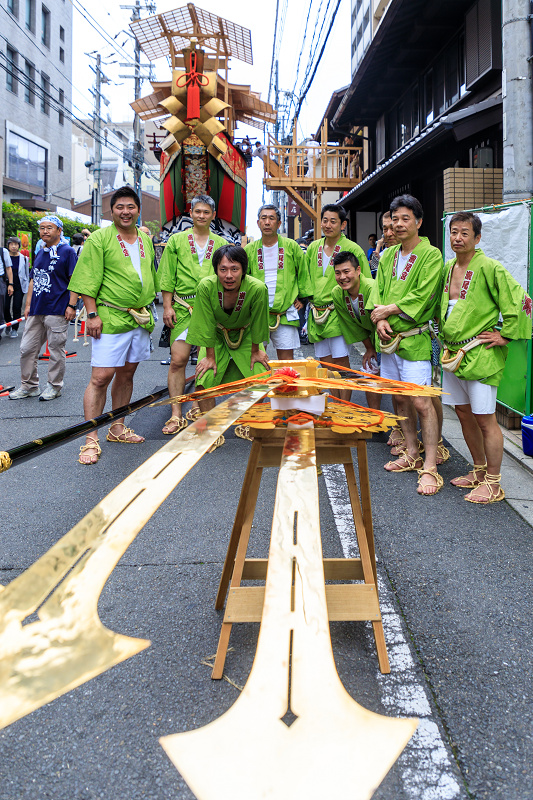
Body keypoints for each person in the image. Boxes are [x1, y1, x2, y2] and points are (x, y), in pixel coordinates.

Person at [439, 211, 532, 503]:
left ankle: (493, 482)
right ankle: (478, 471)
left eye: (465, 233)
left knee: (485, 419)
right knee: (464, 414)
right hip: (452, 352)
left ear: (477, 238)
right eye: (454, 232)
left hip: (480, 352)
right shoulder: (447, 268)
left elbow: (521, 301)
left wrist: (507, 335)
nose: (458, 238)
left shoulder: (490, 267)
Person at [68, 186, 156, 465]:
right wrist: (91, 314)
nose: (126, 212)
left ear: (138, 210)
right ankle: (90, 438)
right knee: (100, 377)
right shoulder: (99, 240)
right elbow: (86, 279)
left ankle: (117, 427)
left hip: (139, 317)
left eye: (131, 207)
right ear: (112, 210)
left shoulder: (144, 239)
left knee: (127, 374)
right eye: (120, 207)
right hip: (109, 315)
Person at [368, 194, 443, 496]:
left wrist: (388, 310)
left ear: (418, 222)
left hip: (414, 338)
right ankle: (411, 451)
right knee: (399, 400)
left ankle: (431, 466)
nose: (398, 225)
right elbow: (378, 291)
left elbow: (425, 295)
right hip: (388, 339)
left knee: (421, 402)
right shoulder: (387, 256)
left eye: (404, 219)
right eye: (394, 219)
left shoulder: (431, 254)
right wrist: (379, 319)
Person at [186, 245, 270, 449]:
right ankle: (209, 429)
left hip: (247, 335)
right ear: (216, 270)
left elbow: (259, 321)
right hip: (216, 337)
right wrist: (210, 356)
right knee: (205, 378)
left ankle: (250, 422)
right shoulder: (206, 286)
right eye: (223, 269)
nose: (229, 275)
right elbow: (204, 323)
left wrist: (256, 350)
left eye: (234, 269)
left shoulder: (257, 288)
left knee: (262, 376)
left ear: (244, 269)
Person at [157, 195, 227, 435]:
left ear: (213, 215)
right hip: (182, 306)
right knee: (178, 360)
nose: (201, 216)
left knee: (208, 362)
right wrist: (167, 306)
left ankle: (199, 406)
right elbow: (167, 275)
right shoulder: (176, 240)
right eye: (197, 211)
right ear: (191, 213)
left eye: (206, 212)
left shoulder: (221, 243)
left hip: (211, 308)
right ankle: (176, 413)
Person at [9, 216, 78, 400]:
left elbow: (75, 281)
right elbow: (33, 279)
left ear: (59, 231)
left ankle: (54, 386)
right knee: (26, 349)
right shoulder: (40, 251)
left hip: (57, 309)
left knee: (56, 349)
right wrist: (29, 305)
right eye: (42, 228)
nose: (45, 231)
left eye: (49, 227)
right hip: (37, 309)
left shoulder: (68, 252)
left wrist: (72, 305)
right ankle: (30, 385)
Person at [305, 204, 370, 396]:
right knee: (325, 364)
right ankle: (334, 406)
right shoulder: (313, 247)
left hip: (339, 310)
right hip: (317, 312)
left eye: (333, 221)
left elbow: (365, 280)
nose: (327, 225)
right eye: (324, 220)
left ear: (343, 225)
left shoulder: (353, 249)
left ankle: (344, 406)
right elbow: (305, 278)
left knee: (341, 362)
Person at [246, 204, 310, 360]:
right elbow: (244, 280)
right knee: (256, 361)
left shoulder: (291, 246)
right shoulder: (249, 249)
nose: (267, 222)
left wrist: (302, 299)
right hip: (257, 313)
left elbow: (303, 273)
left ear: (279, 223)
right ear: (258, 222)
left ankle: (285, 385)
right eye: (263, 218)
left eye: (271, 218)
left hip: (285, 311)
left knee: (286, 362)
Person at [331, 251, 380, 410]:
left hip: (387, 338)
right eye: (338, 273)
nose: (342, 277)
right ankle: (374, 417)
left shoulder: (372, 287)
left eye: (347, 271)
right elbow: (351, 326)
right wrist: (369, 348)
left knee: (401, 388)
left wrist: (376, 347)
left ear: (358, 270)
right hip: (372, 340)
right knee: (369, 373)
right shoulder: (337, 293)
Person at [3, 237, 30, 338]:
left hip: (19, 286)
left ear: (19, 245)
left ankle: (14, 329)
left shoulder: (24, 258)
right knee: (5, 307)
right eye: (11, 244)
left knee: (16, 307)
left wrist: (26, 287)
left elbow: (27, 274)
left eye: (16, 244)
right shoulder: (4, 257)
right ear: (8, 246)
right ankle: (9, 323)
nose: (14, 246)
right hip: (7, 285)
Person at [0, 241, 14, 342]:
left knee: (0, 308)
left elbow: (9, 268)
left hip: (0, 280)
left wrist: (11, 284)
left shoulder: (3, 251)